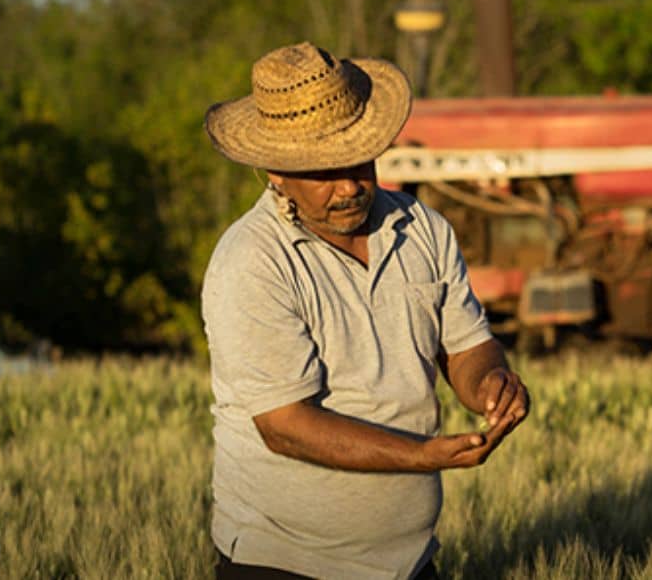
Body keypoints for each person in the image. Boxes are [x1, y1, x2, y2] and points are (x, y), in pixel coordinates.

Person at [201, 41, 528, 579]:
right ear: (274, 173)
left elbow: (466, 344)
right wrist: (425, 455)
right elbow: (286, 426)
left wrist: (490, 384)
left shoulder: (422, 228)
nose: (350, 187)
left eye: (359, 161)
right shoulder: (251, 262)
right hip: (284, 563)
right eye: (323, 172)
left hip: (409, 561)